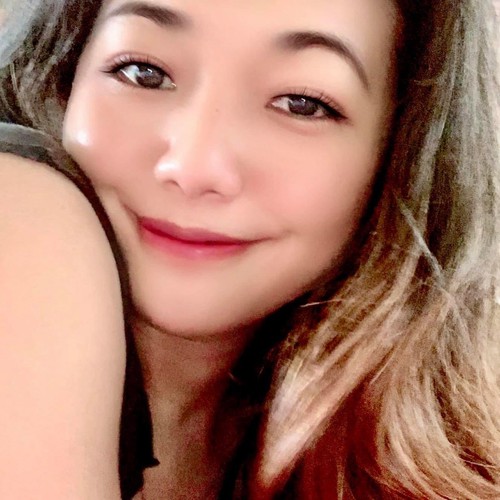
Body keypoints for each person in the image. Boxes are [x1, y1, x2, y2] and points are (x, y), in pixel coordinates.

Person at [0, 0, 498, 498]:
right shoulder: (20, 205)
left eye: (301, 104)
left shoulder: (396, 439)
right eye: (143, 73)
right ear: (64, 78)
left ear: (398, 155)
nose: (193, 167)